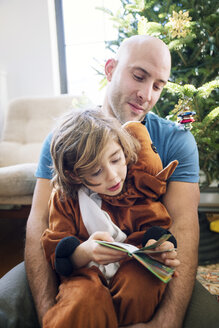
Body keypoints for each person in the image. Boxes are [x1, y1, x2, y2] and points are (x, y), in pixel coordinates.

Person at [0, 35, 218, 328]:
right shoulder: (65, 141)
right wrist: (53, 314)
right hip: (74, 267)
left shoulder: (176, 141)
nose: (146, 94)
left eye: (158, 85)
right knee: (5, 304)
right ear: (111, 68)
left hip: (142, 271)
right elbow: (39, 222)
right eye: (138, 76)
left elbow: (183, 226)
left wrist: (164, 323)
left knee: (209, 319)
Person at [41, 108, 179, 327]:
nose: (113, 176)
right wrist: (84, 251)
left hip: (132, 265)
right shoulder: (65, 199)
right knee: (83, 300)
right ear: (74, 174)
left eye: (116, 159)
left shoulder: (135, 187)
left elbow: (156, 225)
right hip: (85, 274)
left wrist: (158, 245)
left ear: (123, 149)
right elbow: (55, 249)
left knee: (141, 285)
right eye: (96, 172)